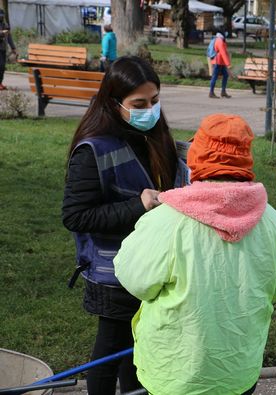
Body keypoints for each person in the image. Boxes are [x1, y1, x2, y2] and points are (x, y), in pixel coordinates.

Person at [113, 114, 276, 394]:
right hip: (237, 368)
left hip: (175, 370)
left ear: (196, 157)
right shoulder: (271, 221)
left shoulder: (166, 221)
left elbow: (135, 279)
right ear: (245, 161)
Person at [62, 56, 187, 395]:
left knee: (140, 351)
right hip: (114, 272)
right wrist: (139, 205)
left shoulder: (158, 138)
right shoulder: (94, 149)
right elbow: (76, 216)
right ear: (114, 103)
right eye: (140, 104)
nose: (150, 109)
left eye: (155, 100)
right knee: (110, 353)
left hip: (156, 268)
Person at [209, 31, 232, 99]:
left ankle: (223, 92)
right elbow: (223, 53)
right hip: (218, 62)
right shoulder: (219, 41)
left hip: (220, 62)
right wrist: (228, 64)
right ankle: (211, 92)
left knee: (225, 75)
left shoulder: (219, 39)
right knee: (214, 77)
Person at [0, 8, 17, 91]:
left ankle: (0, 83)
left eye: (2, 16)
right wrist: (2, 33)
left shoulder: (5, 24)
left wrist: (13, 47)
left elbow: (9, 36)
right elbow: (3, 33)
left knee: (2, 67)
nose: (1, 17)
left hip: (3, 48)